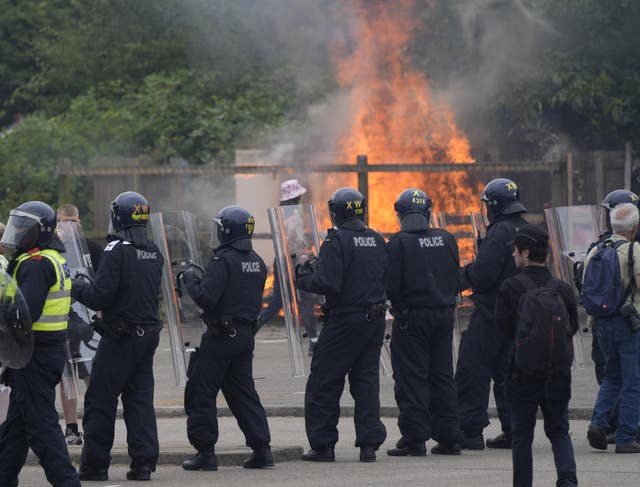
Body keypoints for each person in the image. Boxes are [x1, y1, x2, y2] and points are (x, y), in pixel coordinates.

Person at [70, 191, 164, 481]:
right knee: (139, 401)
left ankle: (95, 466)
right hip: (147, 336)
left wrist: (76, 287)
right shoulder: (153, 251)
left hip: (121, 337)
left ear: (118, 216)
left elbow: (100, 296)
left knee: (100, 399)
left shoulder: (116, 250)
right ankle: (143, 463)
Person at [295, 187, 388, 462]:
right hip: (375, 319)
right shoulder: (376, 239)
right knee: (366, 381)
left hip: (346, 320)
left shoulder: (336, 241)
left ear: (336, 212)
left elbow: (328, 283)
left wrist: (302, 275)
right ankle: (369, 446)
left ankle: (323, 445)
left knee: (324, 379)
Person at [180, 205, 274, 471]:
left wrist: (190, 281)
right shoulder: (256, 261)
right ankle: (262, 449)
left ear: (227, 231)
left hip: (220, 337)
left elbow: (207, 299)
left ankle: (205, 453)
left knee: (201, 391)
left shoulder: (223, 260)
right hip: (244, 336)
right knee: (243, 392)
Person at [0, 201, 81, 486]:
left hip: (33, 355)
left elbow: (24, 314)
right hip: (44, 352)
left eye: (24, 227)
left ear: (39, 230)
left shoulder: (36, 264)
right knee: (16, 429)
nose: (18, 232)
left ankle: (67, 482)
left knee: (42, 429)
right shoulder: (51, 257)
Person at [495, 224, 578, 487]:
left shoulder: (510, 287)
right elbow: (572, 327)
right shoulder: (562, 289)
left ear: (526, 252)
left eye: (516, 251)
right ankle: (567, 480)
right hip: (558, 373)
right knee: (559, 431)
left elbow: (504, 327)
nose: (513, 256)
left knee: (521, 436)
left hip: (523, 373)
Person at [385, 189, 464, 456]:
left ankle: (415, 439)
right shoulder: (447, 239)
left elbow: (391, 285)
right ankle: (450, 436)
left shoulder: (398, 243)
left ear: (400, 214)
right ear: (428, 212)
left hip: (411, 319)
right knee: (442, 376)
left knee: (411, 378)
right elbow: (457, 277)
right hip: (444, 316)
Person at [456, 177, 528, 450]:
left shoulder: (500, 232)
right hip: (520, 314)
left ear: (494, 205)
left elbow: (484, 273)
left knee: (472, 368)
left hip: (492, 313)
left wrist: (461, 276)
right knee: (507, 372)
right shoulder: (528, 228)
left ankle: (470, 431)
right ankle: (514, 430)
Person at [584, 203, 640, 453]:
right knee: (632, 380)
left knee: (612, 377)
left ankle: (598, 423)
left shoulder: (595, 250)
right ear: (634, 228)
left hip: (601, 323)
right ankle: (626, 436)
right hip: (629, 323)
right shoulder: (633, 249)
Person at [56, 204, 104, 446]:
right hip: (61, 319)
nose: (69, 226)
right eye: (64, 221)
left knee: (91, 373)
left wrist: (100, 314)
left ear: (80, 223)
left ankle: (96, 424)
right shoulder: (53, 249)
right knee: (67, 377)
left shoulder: (92, 250)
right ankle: (71, 428)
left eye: (73, 221)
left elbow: (103, 284)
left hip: (87, 320)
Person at [259, 179, 318, 351]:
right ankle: (314, 341)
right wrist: (305, 255)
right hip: (292, 261)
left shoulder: (282, 214)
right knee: (305, 300)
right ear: (295, 197)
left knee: (278, 302)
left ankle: (250, 331)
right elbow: (294, 241)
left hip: (281, 260)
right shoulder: (292, 216)